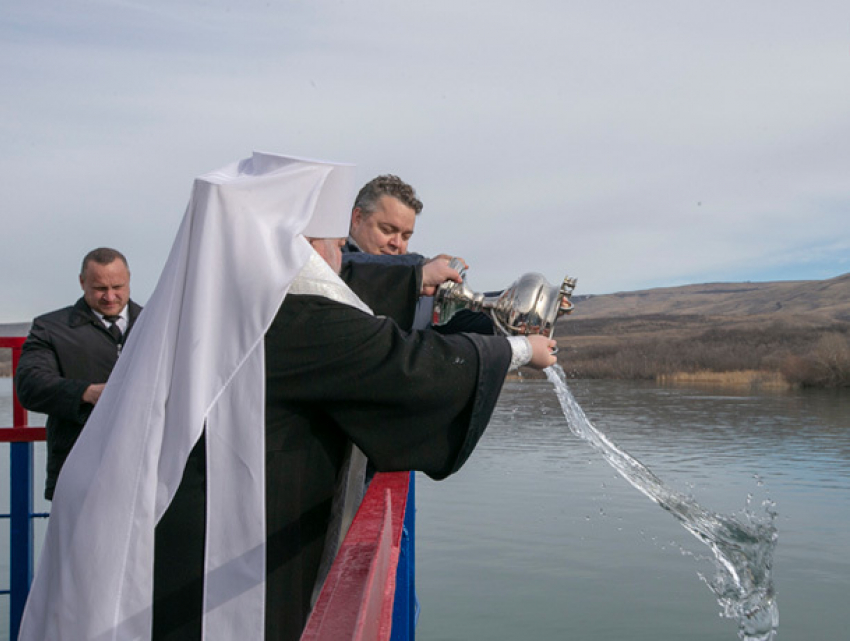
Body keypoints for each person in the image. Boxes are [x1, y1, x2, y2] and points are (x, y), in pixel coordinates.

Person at [18, 153, 556, 641]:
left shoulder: (195, 300)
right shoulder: (293, 316)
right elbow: (407, 366)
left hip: (137, 520)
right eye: (331, 244)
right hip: (215, 552)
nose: (338, 259)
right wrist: (517, 349)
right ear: (297, 242)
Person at [15, 247, 142, 499]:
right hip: (78, 473)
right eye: (99, 289)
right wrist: (86, 393)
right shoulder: (49, 328)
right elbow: (30, 385)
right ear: (82, 282)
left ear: (129, 278)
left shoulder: (158, 324)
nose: (110, 296)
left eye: (118, 286)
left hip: (145, 470)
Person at [344, 174, 495, 334]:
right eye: (387, 230)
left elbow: (470, 317)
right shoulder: (327, 266)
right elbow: (351, 269)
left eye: (406, 236)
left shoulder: (423, 284)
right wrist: (420, 268)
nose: (397, 243)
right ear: (357, 218)